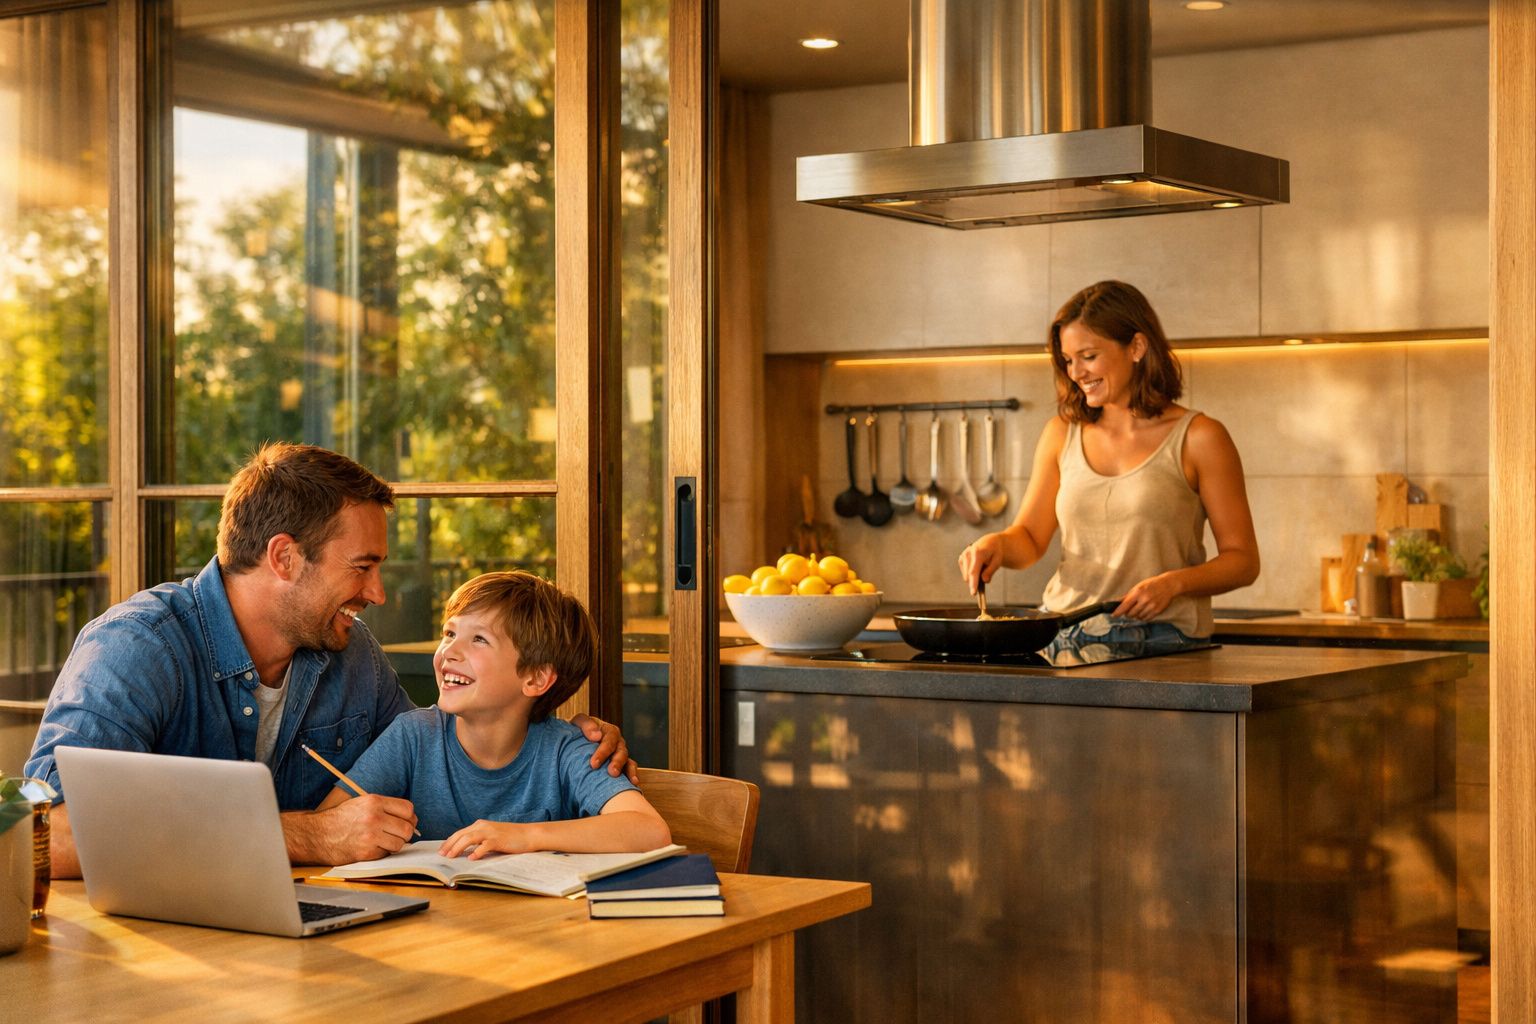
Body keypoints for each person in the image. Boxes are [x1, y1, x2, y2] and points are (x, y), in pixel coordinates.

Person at [25, 443, 633, 877]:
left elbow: (439, 747)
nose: (377, 594)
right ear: (285, 557)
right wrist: (308, 836)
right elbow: (42, 838)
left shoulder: (350, 653)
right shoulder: (137, 648)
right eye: (362, 566)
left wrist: (551, 725)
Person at [958, 280, 1260, 651]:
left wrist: (1173, 583)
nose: (1076, 373)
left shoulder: (1200, 437)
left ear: (1136, 347)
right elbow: (1031, 539)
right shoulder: (1060, 433)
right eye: (1068, 360)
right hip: (1063, 637)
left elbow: (1243, 561)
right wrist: (998, 545)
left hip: (1164, 644)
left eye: (1088, 356)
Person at [321, 571, 670, 858]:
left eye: (479, 640)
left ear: (535, 678)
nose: (449, 651)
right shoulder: (413, 736)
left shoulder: (569, 750)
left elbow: (649, 830)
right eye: (449, 633)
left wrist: (525, 837)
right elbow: (329, 822)